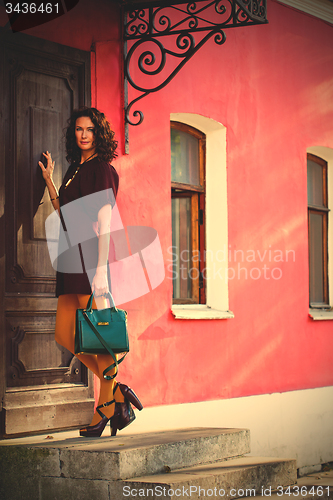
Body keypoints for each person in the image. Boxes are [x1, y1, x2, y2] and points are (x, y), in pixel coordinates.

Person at [39, 107, 142, 438]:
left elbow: (106, 223)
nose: (83, 135)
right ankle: (118, 394)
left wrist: (100, 272)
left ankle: (105, 410)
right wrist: (51, 182)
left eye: (90, 130)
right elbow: (62, 211)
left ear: (100, 133)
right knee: (66, 335)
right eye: (79, 130)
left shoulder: (102, 170)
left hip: (88, 257)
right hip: (70, 255)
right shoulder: (74, 169)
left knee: (97, 341)